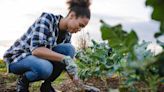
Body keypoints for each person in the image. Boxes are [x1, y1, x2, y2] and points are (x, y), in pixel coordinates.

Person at [3, 0, 91, 92]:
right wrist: (65, 58)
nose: (80, 29)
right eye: (80, 25)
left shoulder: (67, 34)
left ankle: (46, 86)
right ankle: (23, 82)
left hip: (36, 59)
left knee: (69, 49)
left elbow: (66, 62)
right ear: (72, 15)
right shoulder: (47, 19)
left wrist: (81, 86)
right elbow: (36, 50)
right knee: (46, 67)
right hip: (18, 59)